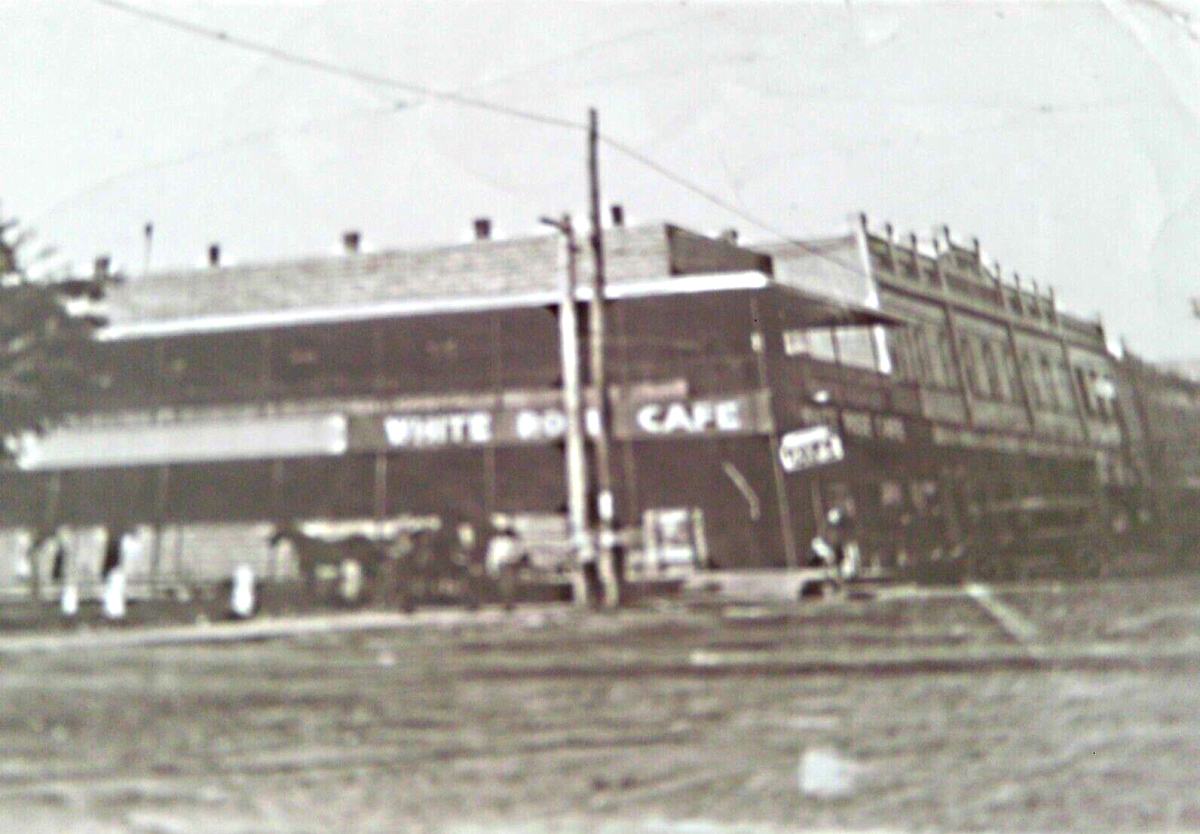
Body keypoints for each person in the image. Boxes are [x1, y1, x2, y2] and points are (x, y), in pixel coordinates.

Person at [485, 516, 526, 610]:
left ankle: (509, 603)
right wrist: (492, 566)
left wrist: (516, 559)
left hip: (511, 564)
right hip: (503, 565)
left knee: (511, 584)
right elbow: (494, 556)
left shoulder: (513, 541)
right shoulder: (496, 542)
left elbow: (519, 551)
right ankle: (506, 603)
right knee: (505, 585)